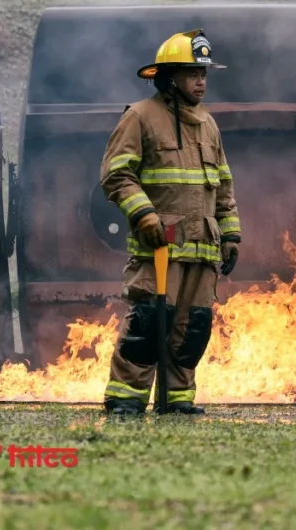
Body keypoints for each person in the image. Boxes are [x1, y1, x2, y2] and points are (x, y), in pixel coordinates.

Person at [99, 29, 242, 416]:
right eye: (193, 73)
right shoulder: (140, 117)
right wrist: (143, 214)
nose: (201, 82)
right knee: (148, 324)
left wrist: (230, 235)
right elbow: (116, 175)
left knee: (192, 330)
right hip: (159, 247)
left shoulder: (209, 125)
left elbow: (223, 185)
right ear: (169, 76)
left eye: (204, 74)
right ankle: (126, 398)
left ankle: (179, 400)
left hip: (202, 250)